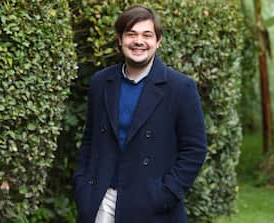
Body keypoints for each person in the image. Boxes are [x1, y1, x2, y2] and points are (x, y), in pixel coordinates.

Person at [73, 5, 207, 223]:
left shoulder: (180, 88)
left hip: (151, 207)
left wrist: (166, 194)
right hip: (100, 201)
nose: (138, 41)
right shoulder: (101, 82)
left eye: (147, 35)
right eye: (131, 34)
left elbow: (195, 149)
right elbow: (90, 139)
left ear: (158, 41)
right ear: (120, 39)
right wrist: (82, 184)